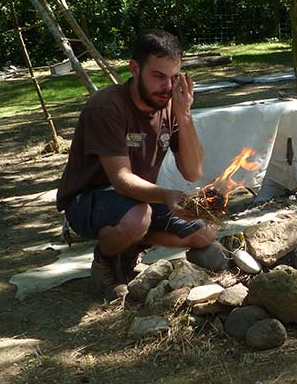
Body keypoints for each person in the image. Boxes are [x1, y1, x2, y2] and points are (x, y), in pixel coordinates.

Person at [56, 30, 216, 298]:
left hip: (138, 199)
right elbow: (120, 179)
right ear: (134, 68)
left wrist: (184, 115)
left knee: (205, 232)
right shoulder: (107, 107)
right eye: (158, 76)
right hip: (87, 200)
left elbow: (193, 171)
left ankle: (130, 246)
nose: (168, 86)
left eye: (174, 77)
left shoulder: (170, 106)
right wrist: (165, 195)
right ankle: (106, 262)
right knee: (137, 217)